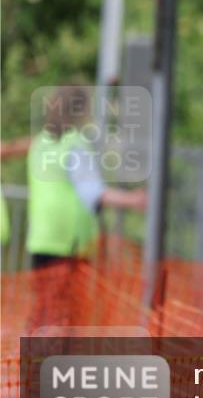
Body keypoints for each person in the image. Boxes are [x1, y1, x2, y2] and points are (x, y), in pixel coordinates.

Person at [23, 86, 146, 269]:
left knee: (45, 298)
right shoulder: (75, 144)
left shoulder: (40, 143)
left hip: (41, 240)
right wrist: (134, 200)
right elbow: (93, 192)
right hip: (70, 244)